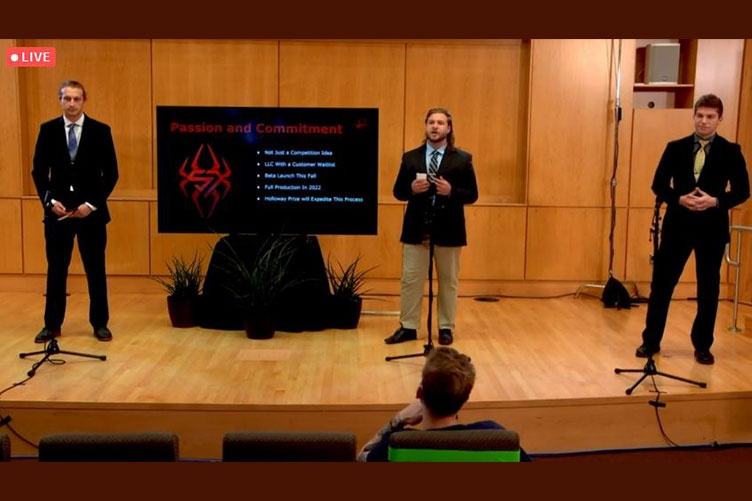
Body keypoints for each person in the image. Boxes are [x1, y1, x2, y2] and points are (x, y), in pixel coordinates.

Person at [636, 94, 749, 365]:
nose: (704, 121)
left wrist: (716, 200)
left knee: (708, 289)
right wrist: (678, 198)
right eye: (700, 115)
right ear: (694, 116)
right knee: (662, 286)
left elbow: (743, 190)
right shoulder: (675, 147)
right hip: (678, 226)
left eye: (710, 117)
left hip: (712, 228)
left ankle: (702, 346)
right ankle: (650, 341)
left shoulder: (731, 151)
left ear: (720, 119)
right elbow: (658, 184)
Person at [31, 80, 119, 344]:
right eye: (67, 99)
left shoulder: (101, 131)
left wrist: (91, 205)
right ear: (60, 100)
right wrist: (49, 201)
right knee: (56, 269)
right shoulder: (47, 130)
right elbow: (38, 171)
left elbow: (111, 174)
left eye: (76, 99)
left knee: (95, 269)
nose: (71, 104)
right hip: (58, 215)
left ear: (84, 101)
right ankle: (52, 325)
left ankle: (100, 323)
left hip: (90, 214)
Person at [384, 108, 478, 346]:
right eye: (431, 122)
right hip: (417, 228)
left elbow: (472, 195)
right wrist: (411, 190)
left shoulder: (462, 159)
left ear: (449, 128)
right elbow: (397, 191)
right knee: (411, 279)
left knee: (448, 281)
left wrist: (451, 192)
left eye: (440, 123)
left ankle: (445, 327)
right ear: (426, 126)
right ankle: (408, 327)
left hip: (450, 229)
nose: (435, 126)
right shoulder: (410, 157)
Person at [357, 346, 531, 461]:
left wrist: (396, 421)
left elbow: (360, 459)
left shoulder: (396, 443)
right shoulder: (495, 438)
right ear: (465, 398)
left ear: (419, 393)